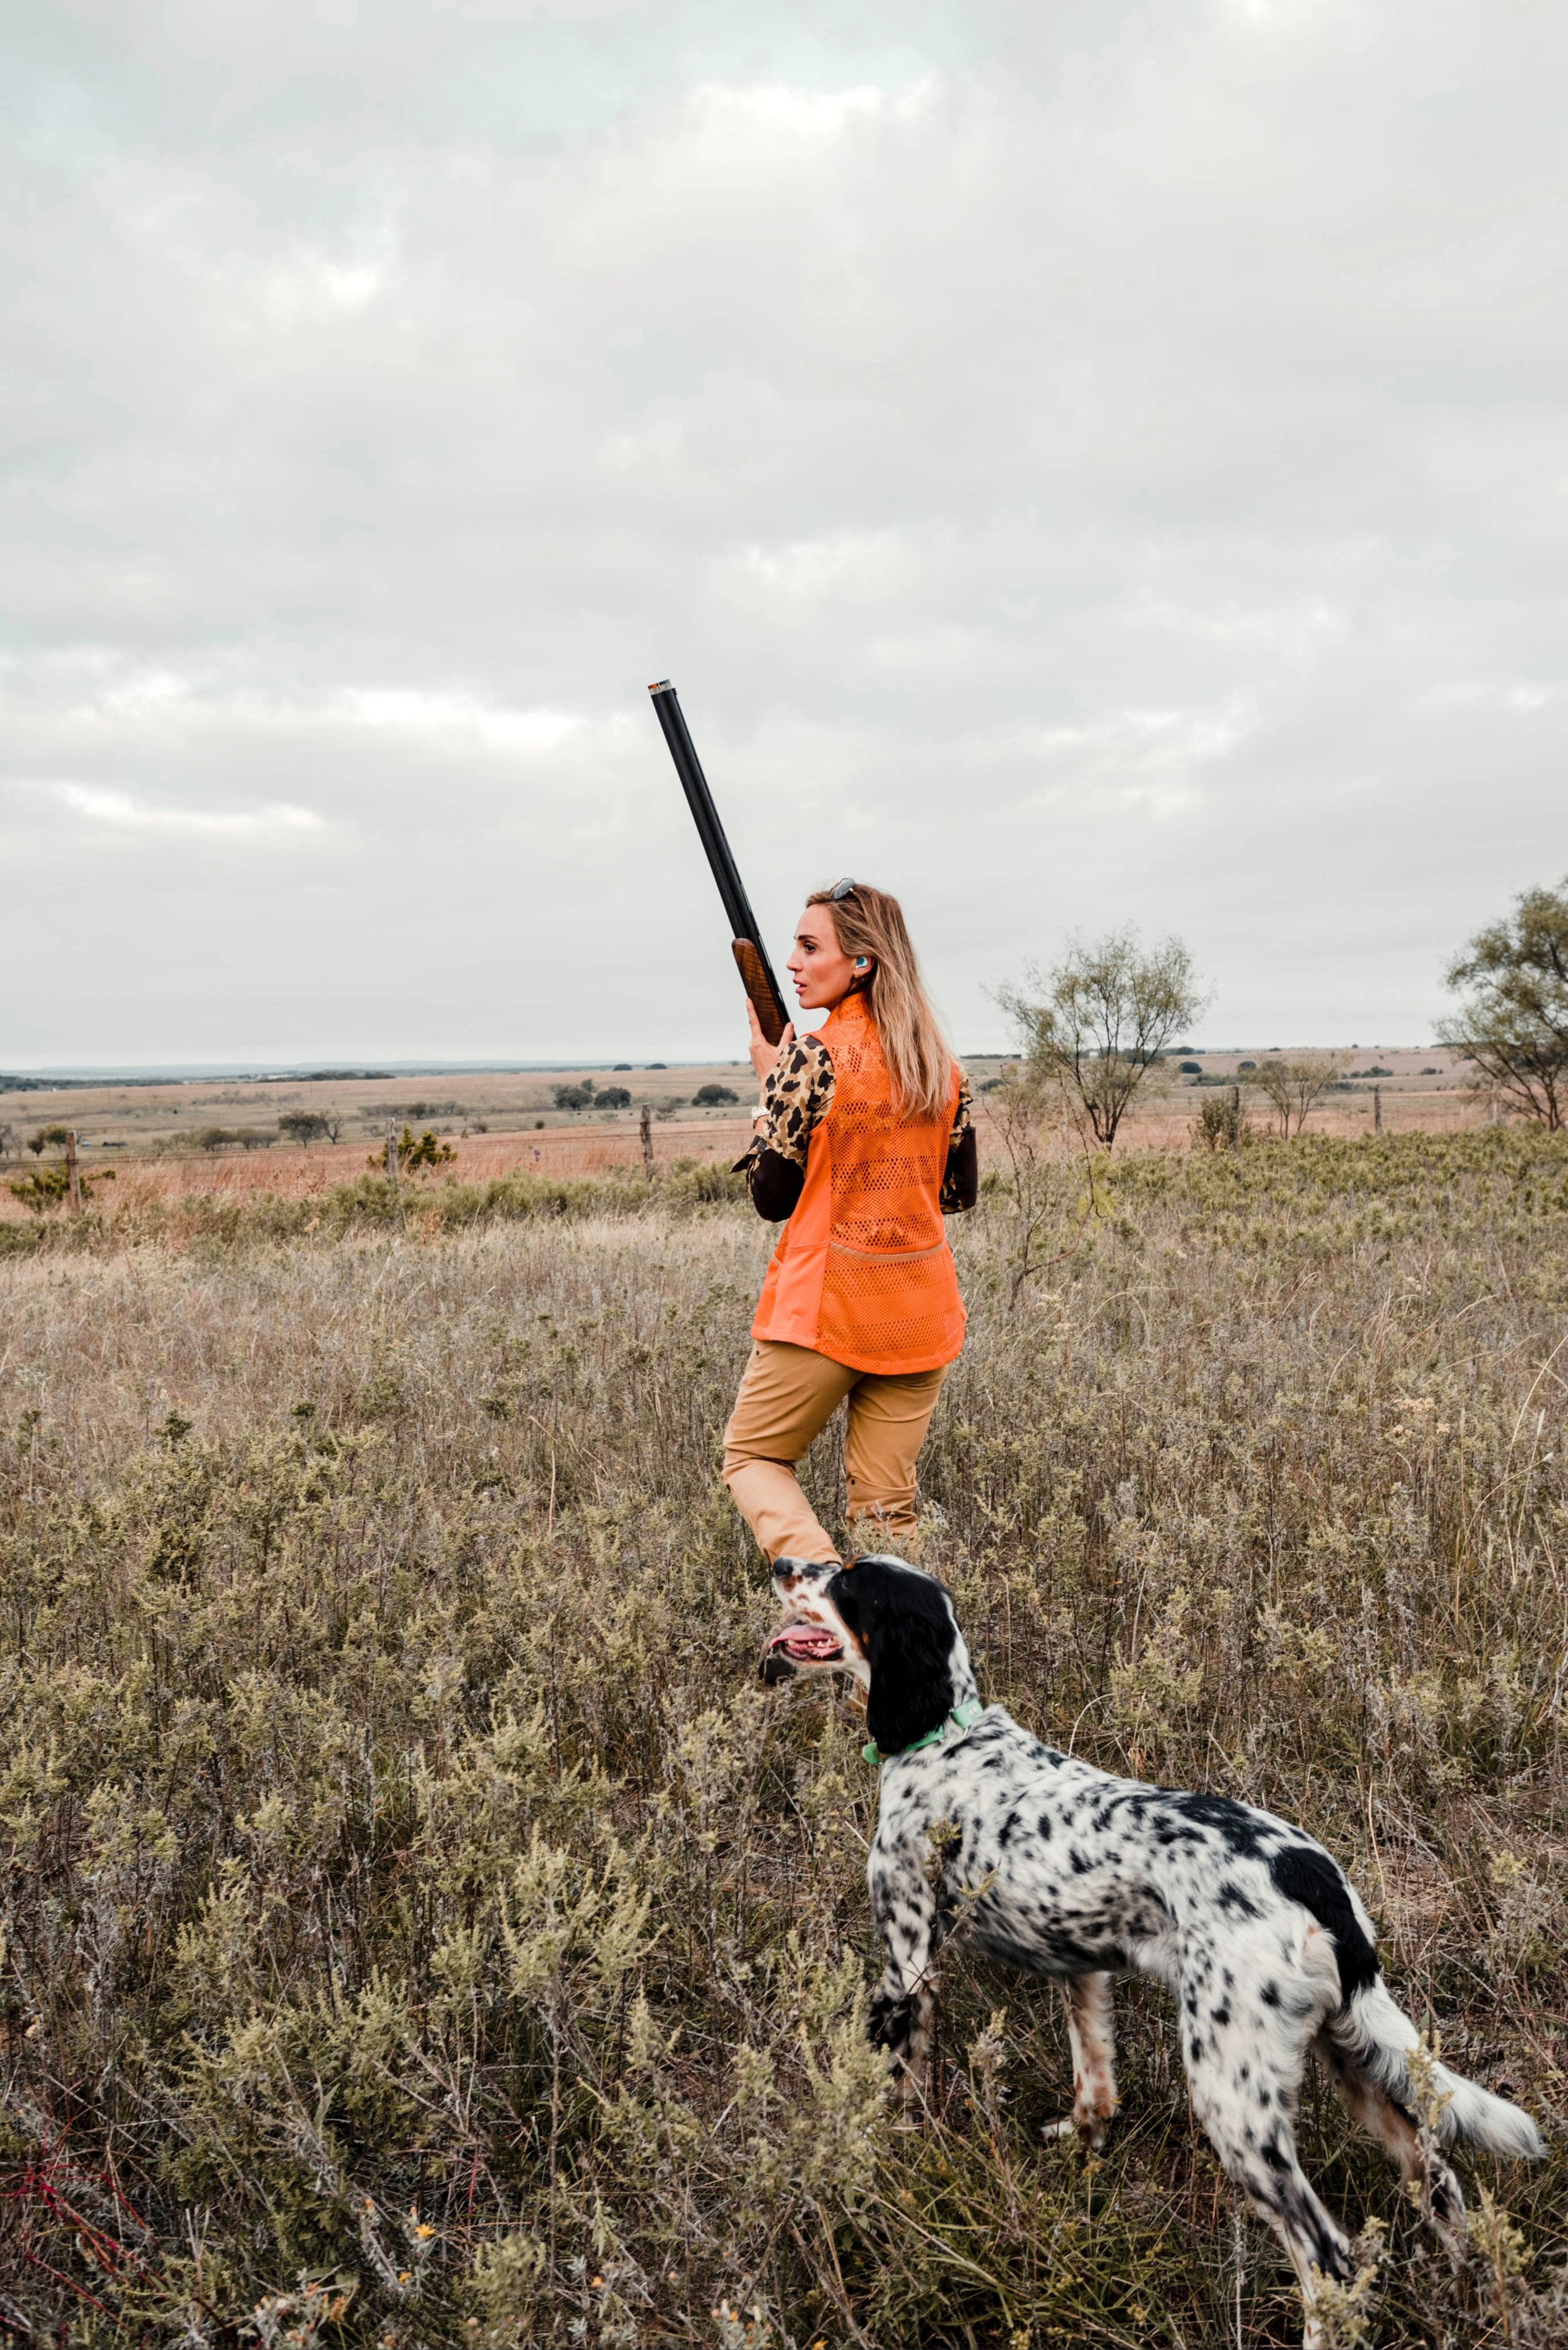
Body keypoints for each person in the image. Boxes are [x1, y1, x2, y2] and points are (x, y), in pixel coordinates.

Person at [722, 879, 977, 1568]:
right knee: (886, 1510)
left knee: (752, 1457)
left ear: (861, 961)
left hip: (828, 1309)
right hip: (920, 1315)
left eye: (810, 947)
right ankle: (887, 1668)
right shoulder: (940, 1063)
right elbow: (957, 1192)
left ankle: (826, 1596)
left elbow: (771, 1198)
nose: (795, 964)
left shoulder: (813, 1057)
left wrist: (772, 1089)